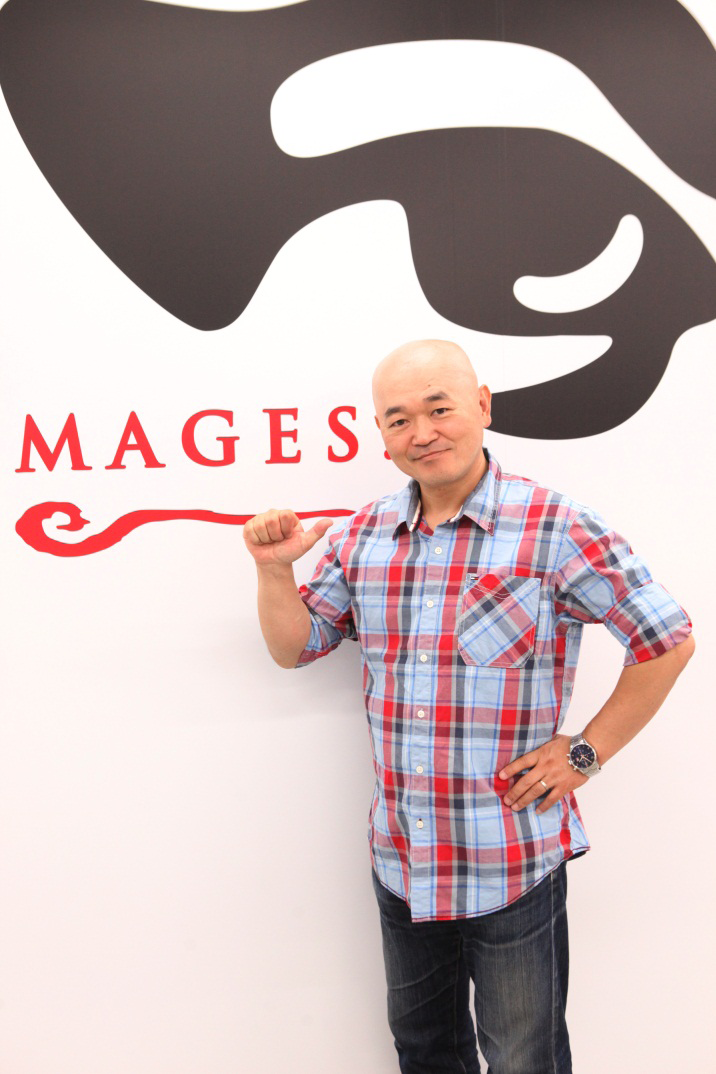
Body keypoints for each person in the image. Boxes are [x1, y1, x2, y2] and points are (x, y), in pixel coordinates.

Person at [243, 339, 694, 1074]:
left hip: (508, 859)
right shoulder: (364, 536)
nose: (421, 432)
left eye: (439, 409)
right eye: (399, 419)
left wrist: (586, 752)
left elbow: (667, 640)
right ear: (382, 435)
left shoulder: (556, 527)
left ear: (481, 406)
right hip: (403, 858)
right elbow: (297, 646)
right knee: (424, 1051)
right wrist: (274, 572)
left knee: (524, 1060)